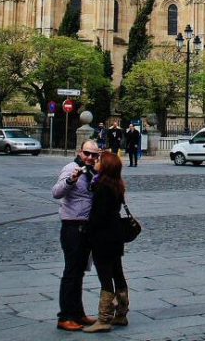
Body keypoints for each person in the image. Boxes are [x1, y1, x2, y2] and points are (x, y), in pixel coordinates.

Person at [51, 140, 101, 331]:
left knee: (79, 272)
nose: (90, 157)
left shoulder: (93, 172)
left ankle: (78, 313)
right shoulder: (71, 168)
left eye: (94, 155)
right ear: (80, 152)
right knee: (71, 272)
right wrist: (71, 180)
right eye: (87, 153)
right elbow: (56, 192)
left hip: (86, 227)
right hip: (72, 226)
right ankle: (64, 317)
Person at [84, 152, 130, 332]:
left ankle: (104, 319)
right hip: (116, 235)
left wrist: (87, 232)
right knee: (118, 273)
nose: (96, 162)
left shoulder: (102, 187)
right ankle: (121, 314)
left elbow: (98, 216)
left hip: (103, 237)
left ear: (105, 167)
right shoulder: (117, 184)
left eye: (99, 160)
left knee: (105, 277)